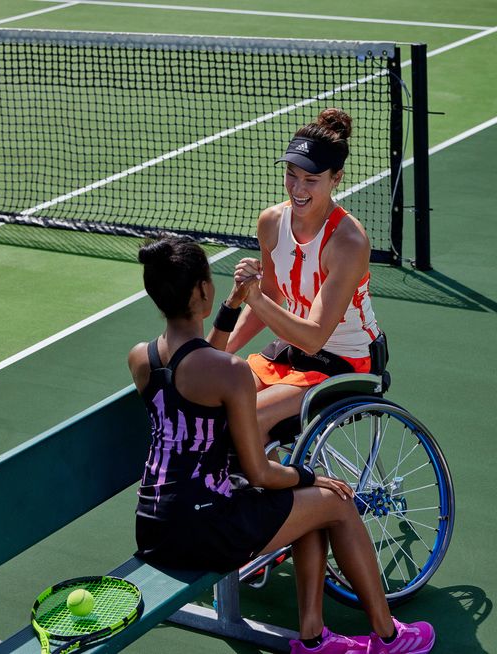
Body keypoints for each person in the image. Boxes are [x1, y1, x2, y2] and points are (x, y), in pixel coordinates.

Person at [129, 236, 434, 654]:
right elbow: (260, 474)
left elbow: (195, 360)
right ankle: (388, 637)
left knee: (304, 499)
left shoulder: (141, 358)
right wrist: (314, 476)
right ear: (202, 289)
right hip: (208, 528)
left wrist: (234, 304)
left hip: (153, 527)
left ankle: (313, 638)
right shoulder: (230, 373)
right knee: (332, 501)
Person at [221, 108, 384, 443]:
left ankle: (280, 491)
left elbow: (314, 337)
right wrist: (221, 350)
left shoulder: (348, 242)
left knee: (247, 417)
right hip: (294, 350)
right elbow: (270, 296)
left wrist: (252, 296)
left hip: (346, 362)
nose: (298, 188)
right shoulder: (270, 222)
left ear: (336, 178)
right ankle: (257, 483)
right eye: (292, 175)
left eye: (311, 180)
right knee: (217, 399)